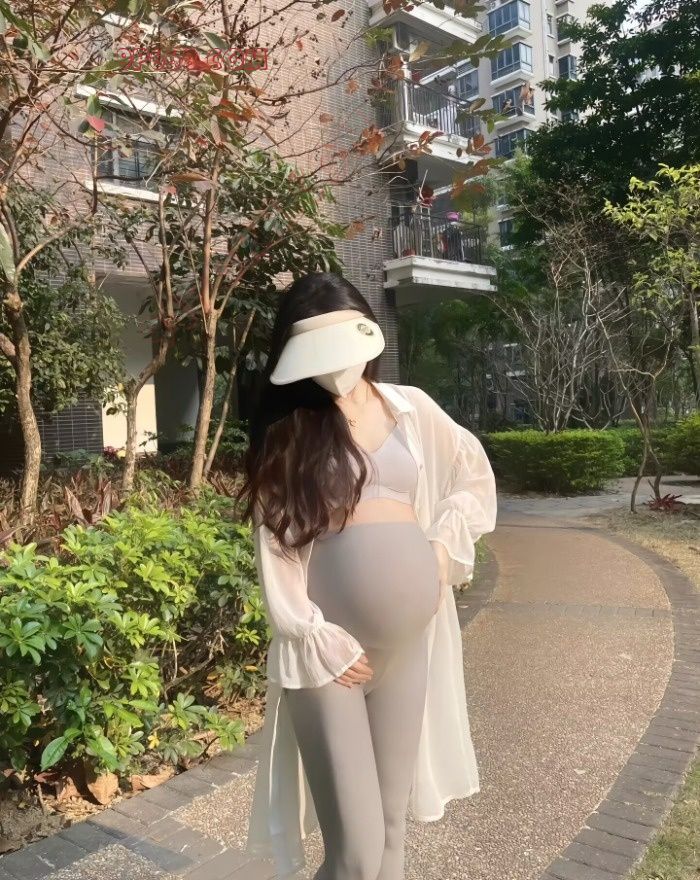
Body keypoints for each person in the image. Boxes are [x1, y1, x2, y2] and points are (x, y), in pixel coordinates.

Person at [236, 272, 497, 879]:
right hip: (330, 658)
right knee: (354, 854)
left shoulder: (410, 408)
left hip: (408, 648)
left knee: (391, 833)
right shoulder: (292, 428)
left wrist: (441, 549)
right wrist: (310, 632)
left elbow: (472, 472)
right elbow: (276, 547)